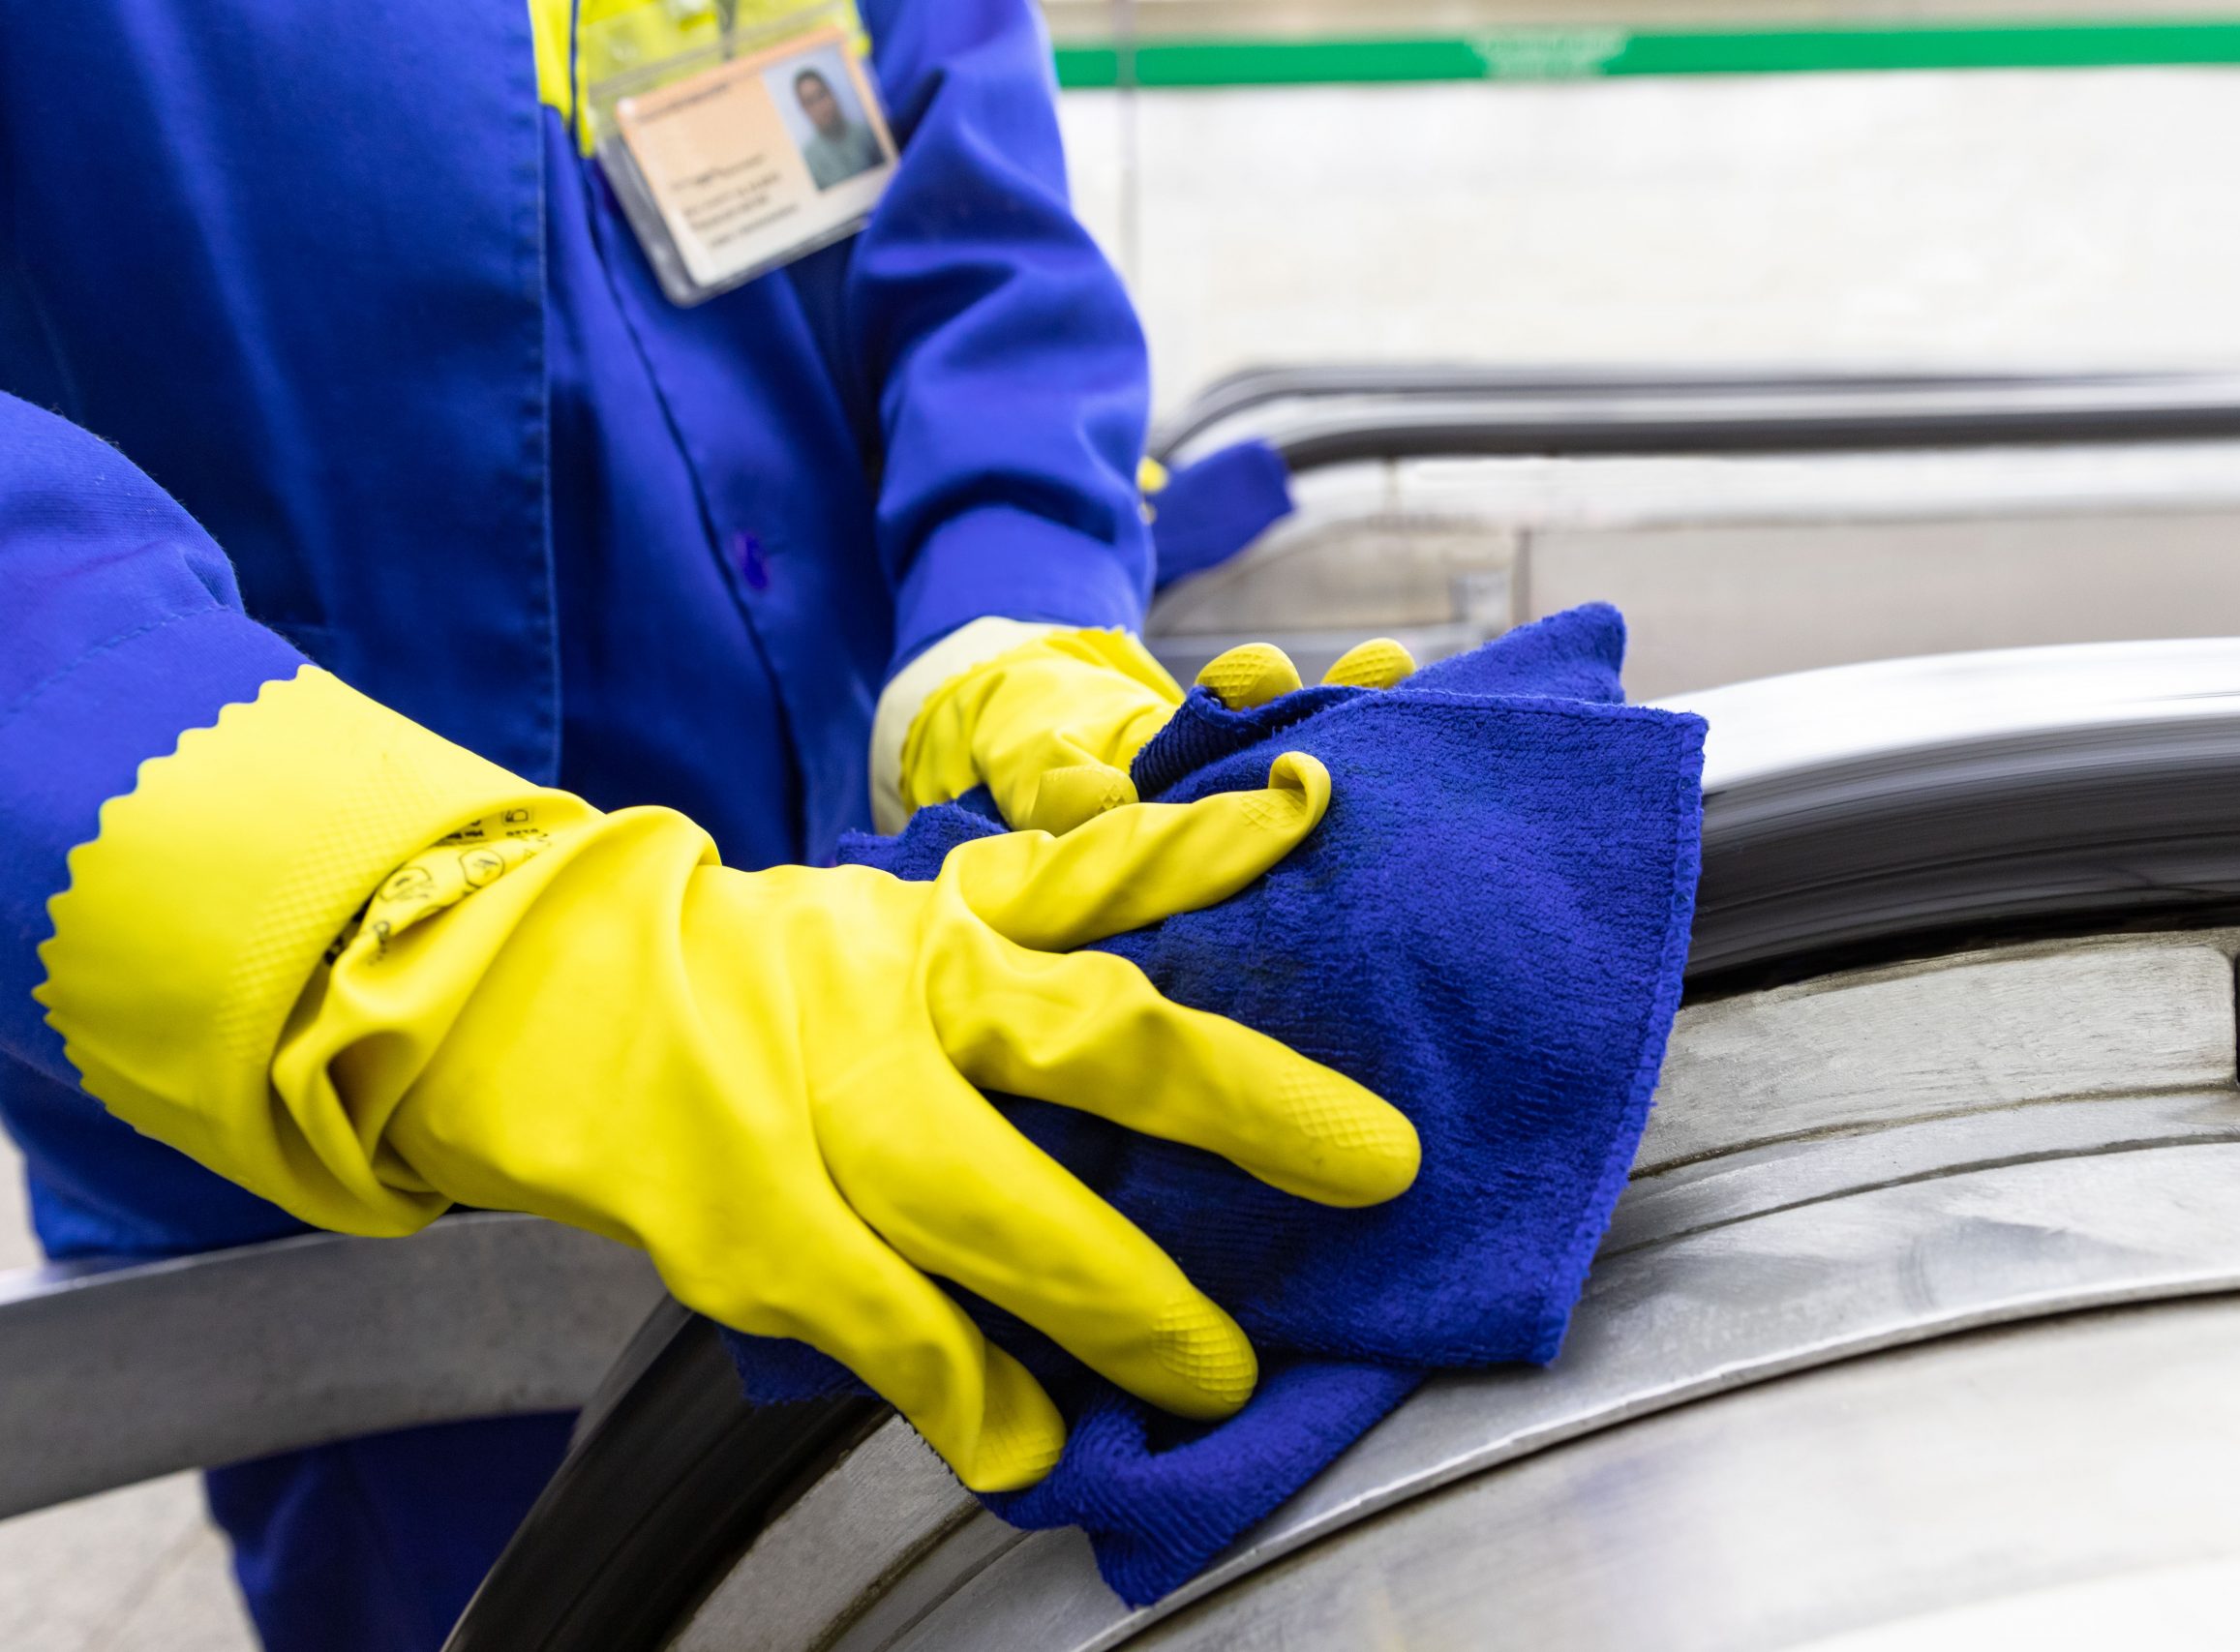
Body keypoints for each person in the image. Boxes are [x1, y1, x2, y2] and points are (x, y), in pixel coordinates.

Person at [0, 3, 1420, 1648]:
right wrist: (415, 938)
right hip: (343, 1104)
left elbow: (973, 240)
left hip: (877, 948)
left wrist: (1009, 617)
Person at [793, 63, 886, 188]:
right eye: (810, 102)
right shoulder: (808, 162)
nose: (820, 107)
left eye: (821, 95)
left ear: (831, 94)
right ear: (804, 109)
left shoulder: (868, 134)